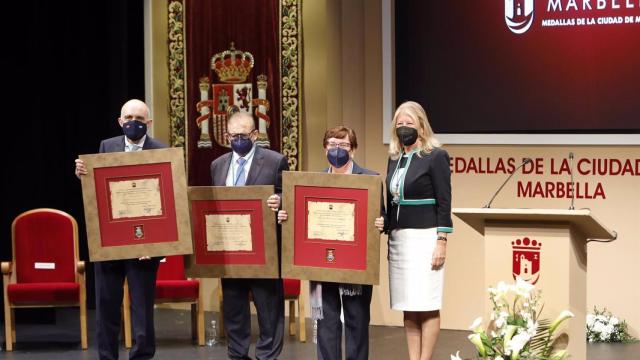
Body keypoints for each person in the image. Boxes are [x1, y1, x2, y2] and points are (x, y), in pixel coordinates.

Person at [74, 99, 165, 359]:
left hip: (144, 246)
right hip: (110, 243)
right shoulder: (107, 146)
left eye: (139, 118)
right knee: (106, 309)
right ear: (119, 121)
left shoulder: (162, 150)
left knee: (142, 314)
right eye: (128, 117)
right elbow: (100, 192)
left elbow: (167, 201)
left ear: (149, 123)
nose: (132, 122)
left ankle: (141, 356)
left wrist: (155, 245)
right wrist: (83, 175)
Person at [278, 126, 377, 360]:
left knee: (357, 320)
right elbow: (301, 218)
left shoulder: (370, 180)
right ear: (324, 149)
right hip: (319, 266)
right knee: (324, 321)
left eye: (343, 145)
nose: (337, 149)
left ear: (353, 150)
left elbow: (378, 214)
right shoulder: (312, 182)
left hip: (356, 266)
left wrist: (380, 221)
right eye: (332, 144)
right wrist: (286, 216)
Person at [374, 101, 452, 360]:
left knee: (427, 306)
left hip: (425, 239)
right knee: (409, 307)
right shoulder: (395, 159)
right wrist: (383, 220)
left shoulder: (436, 156)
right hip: (399, 241)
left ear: (421, 125)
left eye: (409, 123)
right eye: (399, 124)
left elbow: (444, 200)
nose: (404, 127)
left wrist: (441, 240)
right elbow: (390, 200)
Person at [210, 111, 288, 360]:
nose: (239, 140)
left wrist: (281, 200)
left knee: (268, 309)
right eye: (234, 136)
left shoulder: (276, 161)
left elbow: (288, 195)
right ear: (226, 136)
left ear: (255, 135)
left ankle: (267, 356)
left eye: (244, 135)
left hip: (264, 250)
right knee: (233, 308)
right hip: (231, 251)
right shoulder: (217, 165)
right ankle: (237, 355)